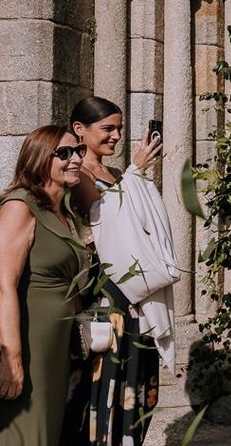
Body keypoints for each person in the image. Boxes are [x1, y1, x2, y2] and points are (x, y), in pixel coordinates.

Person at [63, 97, 173, 445]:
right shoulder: (77, 172)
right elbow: (103, 219)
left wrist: (133, 176)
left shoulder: (112, 173)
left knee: (139, 382)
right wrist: (136, 173)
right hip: (105, 291)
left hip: (134, 289)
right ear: (80, 130)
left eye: (120, 129)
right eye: (107, 128)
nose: (116, 136)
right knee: (108, 380)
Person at [0, 125, 89, 445]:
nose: (76, 159)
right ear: (39, 159)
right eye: (63, 153)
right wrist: (11, 358)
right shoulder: (20, 206)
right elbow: (3, 286)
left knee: (47, 432)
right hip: (28, 341)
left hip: (57, 348)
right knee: (24, 431)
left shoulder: (64, 211)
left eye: (78, 151)